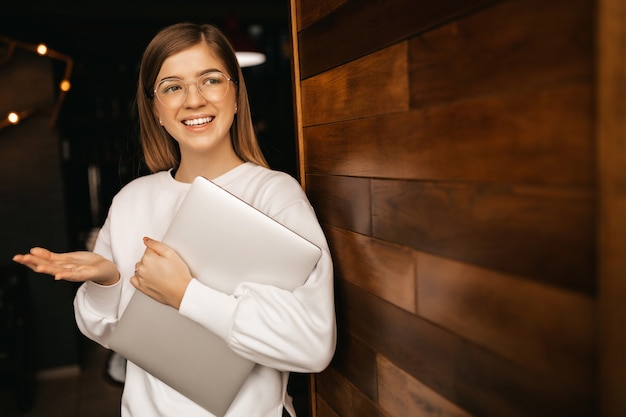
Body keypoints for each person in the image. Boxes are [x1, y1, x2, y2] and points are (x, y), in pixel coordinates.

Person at [13, 22, 336, 417]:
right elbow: (107, 333)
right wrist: (106, 281)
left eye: (211, 80)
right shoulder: (132, 200)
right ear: (156, 110)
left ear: (236, 95)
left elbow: (313, 347)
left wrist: (186, 295)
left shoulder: (275, 195)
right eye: (172, 86)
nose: (193, 100)